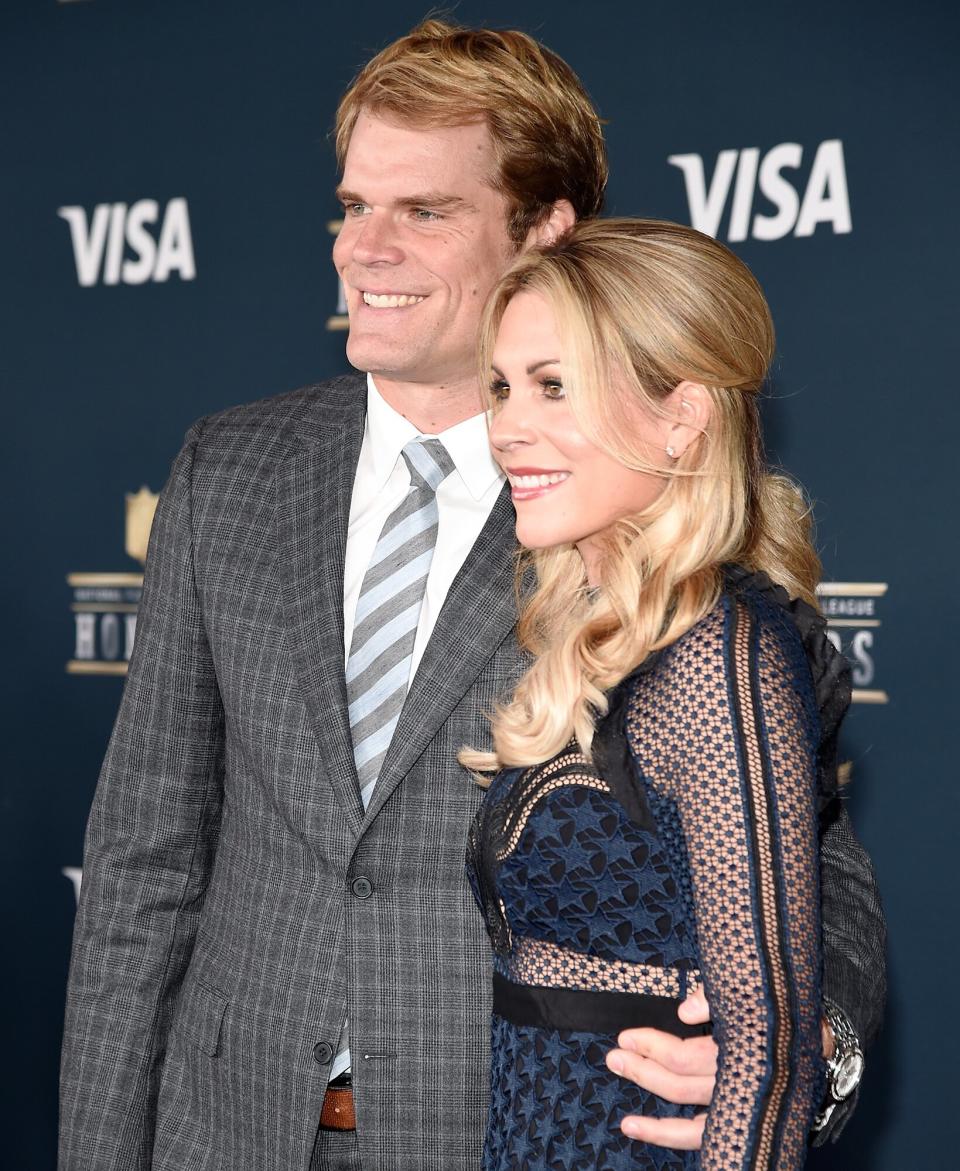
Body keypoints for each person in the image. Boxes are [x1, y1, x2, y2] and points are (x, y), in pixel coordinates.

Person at [58, 21, 884, 1171]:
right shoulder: (227, 468)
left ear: (545, 231)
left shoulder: (625, 509)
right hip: (222, 1127)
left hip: (503, 1130)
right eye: (352, 206)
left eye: (424, 211)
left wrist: (806, 1049)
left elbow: (815, 860)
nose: (362, 248)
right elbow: (143, 858)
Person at [465, 216, 853, 1170]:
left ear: (682, 415)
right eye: (503, 387)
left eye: (556, 385)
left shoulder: (719, 653)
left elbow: (767, 1050)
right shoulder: (597, 634)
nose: (510, 425)